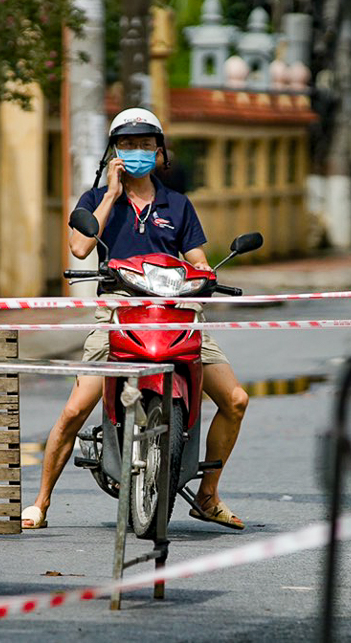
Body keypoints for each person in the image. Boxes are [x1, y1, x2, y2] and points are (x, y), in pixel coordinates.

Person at [21, 108, 250, 531]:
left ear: (160, 151)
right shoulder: (95, 199)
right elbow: (79, 248)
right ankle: (41, 502)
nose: (138, 152)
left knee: (235, 399)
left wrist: (206, 273)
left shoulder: (177, 205)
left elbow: (197, 258)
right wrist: (109, 194)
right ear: (114, 151)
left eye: (147, 144)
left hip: (176, 314)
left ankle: (208, 495)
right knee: (74, 409)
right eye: (128, 144)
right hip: (118, 314)